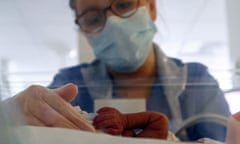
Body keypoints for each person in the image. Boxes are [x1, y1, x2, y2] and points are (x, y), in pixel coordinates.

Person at [10, 0, 230, 142]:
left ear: (151, 7)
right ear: (83, 30)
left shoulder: (196, 81)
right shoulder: (70, 84)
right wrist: (10, 118)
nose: (113, 23)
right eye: (93, 18)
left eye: (124, 4)